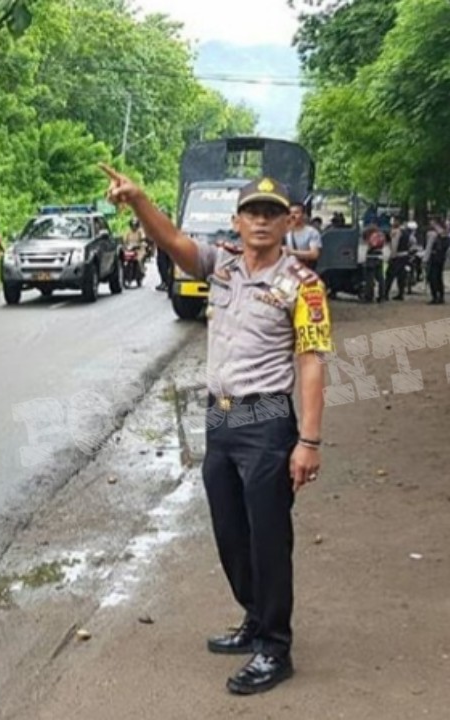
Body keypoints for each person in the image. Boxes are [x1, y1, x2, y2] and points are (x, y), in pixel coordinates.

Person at [102, 164, 331, 695]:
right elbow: (176, 242)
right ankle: (254, 617)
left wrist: (310, 441)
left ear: (288, 221)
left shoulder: (304, 285)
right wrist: (138, 201)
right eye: (253, 211)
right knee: (231, 532)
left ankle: (275, 646)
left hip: (268, 421)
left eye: (272, 213)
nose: (261, 221)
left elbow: (313, 361)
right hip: (221, 419)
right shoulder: (221, 264)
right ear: (237, 219)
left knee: (269, 538)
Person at [284, 202, 321, 269]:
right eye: (290, 213)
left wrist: (292, 252)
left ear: (304, 215)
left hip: (304, 269)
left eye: (296, 213)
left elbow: (314, 254)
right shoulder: (285, 231)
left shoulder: (312, 232)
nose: (292, 216)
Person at [424, 218, 449, 305]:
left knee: (432, 277)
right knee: (439, 277)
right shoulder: (444, 233)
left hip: (433, 258)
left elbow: (429, 247)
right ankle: (441, 296)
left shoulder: (432, 233)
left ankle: (435, 296)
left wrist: (425, 259)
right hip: (441, 258)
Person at [362, 225, 386, 304]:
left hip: (372, 256)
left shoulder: (373, 236)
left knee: (370, 279)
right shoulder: (381, 235)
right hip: (379, 256)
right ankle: (382, 296)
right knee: (380, 278)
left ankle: (369, 297)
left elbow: (372, 244)